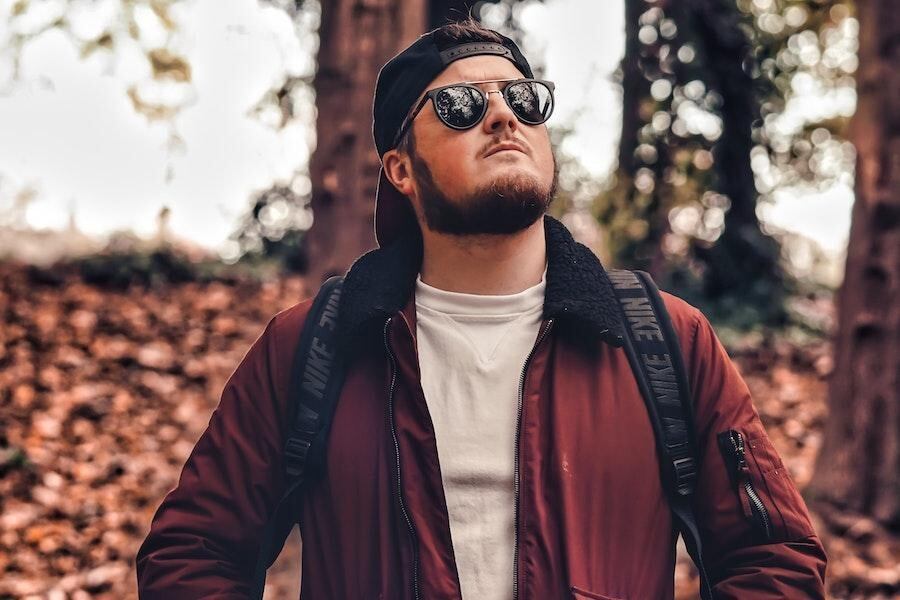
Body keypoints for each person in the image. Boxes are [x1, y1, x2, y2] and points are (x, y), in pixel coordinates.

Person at [136, 18, 827, 599]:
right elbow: (192, 555)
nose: (502, 115)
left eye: (524, 101)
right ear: (400, 169)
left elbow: (775, 560)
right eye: (460, 106)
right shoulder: (312, 346)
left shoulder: (661, 339)